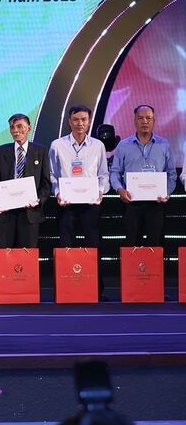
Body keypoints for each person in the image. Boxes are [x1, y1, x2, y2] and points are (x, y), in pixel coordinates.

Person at [49, 104, 110, 297]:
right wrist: (57, 193)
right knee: (66, 246)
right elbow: (52, 175)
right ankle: (66, 288)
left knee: (93, 246)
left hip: (91, 204)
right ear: (69, 121)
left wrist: (100, 192)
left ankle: (96, 290)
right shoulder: (57, 145)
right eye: (76, 119)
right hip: (66, 204)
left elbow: (104, 175)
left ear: (89, 121)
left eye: (84, 119)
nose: (80, 123)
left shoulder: (98, 146)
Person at [109, 104, 176, 247]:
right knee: (132, 246)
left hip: (156, 202)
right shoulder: (123, 145)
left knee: (155, 245)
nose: (145, 121)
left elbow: (171, 174)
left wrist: (167, 192)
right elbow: (114, 172)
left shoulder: (164, 145)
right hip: (131, 203)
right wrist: (120, 190)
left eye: (148, 118)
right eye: (140, 118)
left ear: (154, 121)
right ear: (134, 121)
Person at [0, 114, 50, 248]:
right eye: (12, 127)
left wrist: (38, 200)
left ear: (28, 128)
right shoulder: (1, 151)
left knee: (27, 255)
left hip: (30, 212)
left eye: (19, 126)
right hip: (6, 212)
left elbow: (46, 183)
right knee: (5, 255)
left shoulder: (40, 151)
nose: (15, 130)